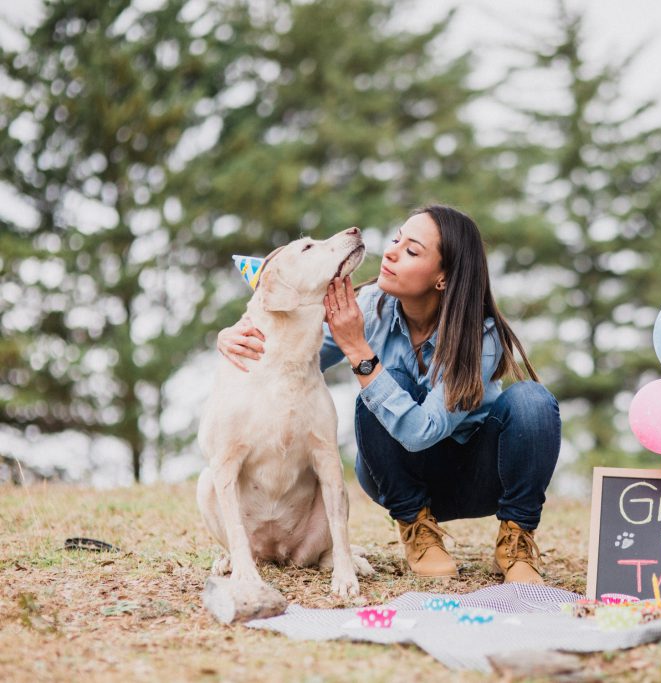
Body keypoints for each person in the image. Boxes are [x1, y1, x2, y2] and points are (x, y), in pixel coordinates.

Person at [216, 205, 561, 584]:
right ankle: (416, 526)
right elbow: (289, 348)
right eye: (397, 239)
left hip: (479, 477)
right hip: (401, 480)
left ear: (443, 279)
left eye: (412, 251)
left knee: (533, 400)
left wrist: (361, 355)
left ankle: (516, 540)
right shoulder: (368, 308)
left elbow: (422, 431)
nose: (392, 251)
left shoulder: (481, 337)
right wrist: (232, 336)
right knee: (382, 386)